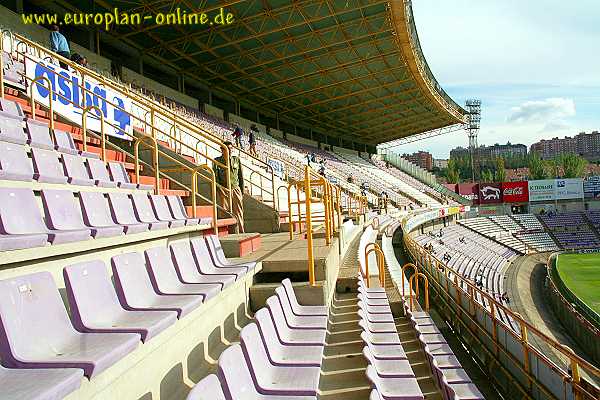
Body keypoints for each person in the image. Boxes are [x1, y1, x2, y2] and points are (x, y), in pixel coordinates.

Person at [213, 141, 245, 233]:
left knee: (238, 211)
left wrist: (241, 191)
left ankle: (241, 231)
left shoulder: (236, 160)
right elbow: (215, 177)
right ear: (222, 150)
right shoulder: (217, 161)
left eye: (231, 149)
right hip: (224, 189)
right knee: (225, 212)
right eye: (227, 149)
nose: (230, 151)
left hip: (235, 188)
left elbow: (240, 176)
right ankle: (228, 232)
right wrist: (219, 189)